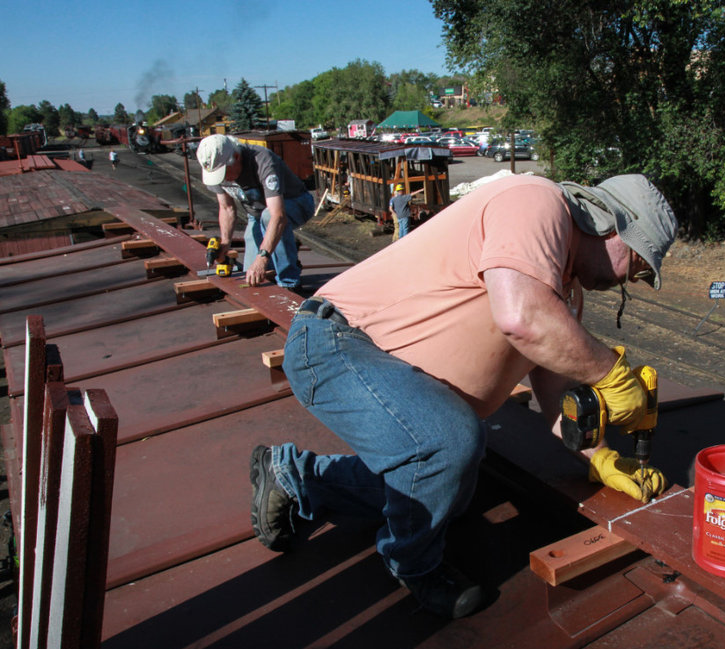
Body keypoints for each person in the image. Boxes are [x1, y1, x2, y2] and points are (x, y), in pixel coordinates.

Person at [249, 173, 677, 619]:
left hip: (386, 371)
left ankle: (297, 478)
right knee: (448, 442)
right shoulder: (536, 201)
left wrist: (601, 458)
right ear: (614, 228)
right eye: (639, 265)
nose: (631, 280)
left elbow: (558, 394)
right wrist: (613, 372)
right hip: (333, 343)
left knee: (445, 488)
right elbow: (522, 317)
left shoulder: (561, 287)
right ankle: (411, 565)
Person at [196, 134, 315, 289]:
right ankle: (282, 252)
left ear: (237, 157)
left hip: (297, 203)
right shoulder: (216, 168)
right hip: (256, 213)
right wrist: (225, 243)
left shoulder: (262, 161)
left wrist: (263, 257)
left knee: (268, 222)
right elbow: (226, 207)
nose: (223, 179)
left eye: (225, 173)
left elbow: (277, 215)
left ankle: (289, 282)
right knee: (250, 273)